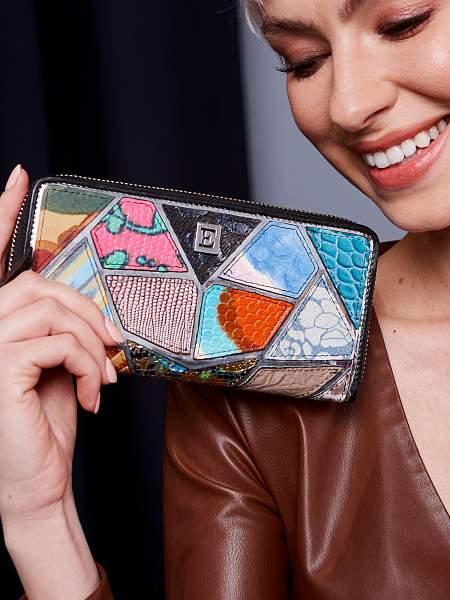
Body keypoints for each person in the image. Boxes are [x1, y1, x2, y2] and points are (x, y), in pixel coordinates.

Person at [1, 0, 449, 597]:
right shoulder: (251, 374)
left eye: (403, 23)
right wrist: (40, 521)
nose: (348, 104)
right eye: (305, 61)